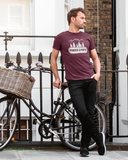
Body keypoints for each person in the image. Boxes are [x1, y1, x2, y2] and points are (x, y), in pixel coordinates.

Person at [51, 7, 106, 157]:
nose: (85, 21)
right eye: (82, 18)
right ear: (72, 19)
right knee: (81, 112)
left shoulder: (87, 37)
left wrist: (97, 74)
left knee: (88, 113)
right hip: (74, 82)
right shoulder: (61, 37)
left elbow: (95, 58)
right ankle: (99, 138)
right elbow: (53, 59)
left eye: (85, 18)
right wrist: (57, 77)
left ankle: (84, 147)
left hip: (89, 79)